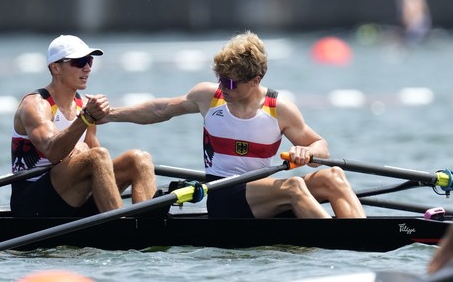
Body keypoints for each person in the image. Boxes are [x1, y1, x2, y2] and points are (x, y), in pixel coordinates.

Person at [100, 31, 366, 219]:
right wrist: (109, 114)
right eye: (219, 78)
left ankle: (365, 240)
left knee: (333, 176)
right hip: (224, 197)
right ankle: (340, 240)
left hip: (259, 194)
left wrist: (308, 152)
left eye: (230, 83)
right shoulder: (209, 97)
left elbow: (322, 148)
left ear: (256, 79)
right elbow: (161, 109)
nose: (221, 87)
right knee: (294, 187)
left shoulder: (279, 109)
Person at [10, 35, 157, 217]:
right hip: (32, 202)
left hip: (71, 194)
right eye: (79, 62)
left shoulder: (82, 105)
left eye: (89, 61)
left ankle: (148, 224)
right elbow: (53, 151)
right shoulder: (36, 105)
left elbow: (99, 162)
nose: (87, 68)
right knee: (96, 156)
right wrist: (86, 118)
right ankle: (122, 230)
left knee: (139, 159)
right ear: (55, 67)